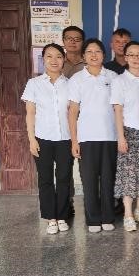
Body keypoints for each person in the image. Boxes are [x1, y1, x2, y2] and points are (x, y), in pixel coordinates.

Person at [68, 39, 118, 233]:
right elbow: (73, 111)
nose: (94, 55)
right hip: (86, 137)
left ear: (104, 55)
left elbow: (118, 108)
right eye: (89, 52)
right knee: (89, 181)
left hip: (110, 136)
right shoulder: (77, 79)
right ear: (84, 56)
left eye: (98, 51)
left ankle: (107, 217)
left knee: (108, 180)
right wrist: (74, 141)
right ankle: (93, 219)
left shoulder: (113, 77)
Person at [21, 43, 72, 235]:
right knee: (45, 179)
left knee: (64, 178)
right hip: (42, 138)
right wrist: (31, 140)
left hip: (66, 138)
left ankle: (62, 216)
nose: (54, 60)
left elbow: (75, 113)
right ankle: (51, 218)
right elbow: (30, 113)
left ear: (64, 59)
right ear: (43, 60)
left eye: (58, 56)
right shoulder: (34, 84)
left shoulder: (71, 84)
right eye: (49, 56)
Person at [110, 41, 139, 232]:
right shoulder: (119, 81)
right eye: (132, 54)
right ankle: (128, 214)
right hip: (129, 132)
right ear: (126, 57)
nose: (136, 58)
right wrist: (121, 137)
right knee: (128, 174)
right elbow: (117, 111)